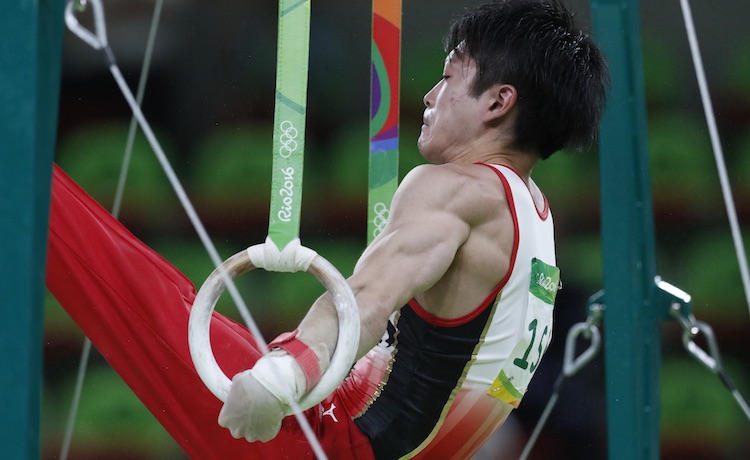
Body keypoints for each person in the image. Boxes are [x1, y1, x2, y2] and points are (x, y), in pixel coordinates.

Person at [46, 0, 608, 458]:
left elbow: (363, 299)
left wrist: (283, 375)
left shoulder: (458, 189)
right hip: (361, 423)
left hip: (326, 444)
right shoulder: (536, 217)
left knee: (126, 282)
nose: (429, 96)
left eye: (447, 78)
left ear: (498, 102)